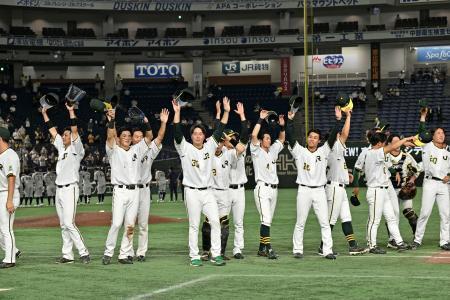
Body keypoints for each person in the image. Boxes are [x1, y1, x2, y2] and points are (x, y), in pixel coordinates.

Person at [102, 107, 164, 265]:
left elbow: (149, 136)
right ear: (119, 138)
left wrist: (146, 122)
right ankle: (108, 252)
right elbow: (110, 136)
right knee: (116, 223)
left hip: (135, 191)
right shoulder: (113, 151)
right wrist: (112, 120)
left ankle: (124, 254)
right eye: (124, 135)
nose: (127, 138)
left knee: (130, 225)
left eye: (129, 136)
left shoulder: (138, 149)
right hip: (120, 191)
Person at [173, 96, 230, 267]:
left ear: (204, 136)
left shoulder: (210, 146)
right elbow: (176, 131)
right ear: (191, 136)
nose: (198, 136)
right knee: (194, 225)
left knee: (215, 221)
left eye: (200, 133)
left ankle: (215, 254)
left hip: (208, 191)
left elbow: (220, 128)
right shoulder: (185, 148)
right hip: (191, 191)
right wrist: (177, 113)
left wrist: (226, 111)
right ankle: (194, 255)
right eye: (195, 133)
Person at [286, 106, 341, 260]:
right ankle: (297, 249)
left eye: (315, 137)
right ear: (307, 138)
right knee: (300, 221)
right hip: (304, 190)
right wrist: (289, 120)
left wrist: (338, 120)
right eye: (310, 136)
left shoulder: (323, 151)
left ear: (319, 140)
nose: (312, 139)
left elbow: (332, 137)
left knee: (324, 222)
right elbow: (290, 137)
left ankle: (327, 250)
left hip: (319, 191)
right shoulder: (300, 151)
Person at [42, 103, 90, 264]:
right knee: (63, 224)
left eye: (66, 135)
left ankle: (83, 252)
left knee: (69, 222)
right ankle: (67, 255)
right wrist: (44, 113)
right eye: (64, 135)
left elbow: (74, 129)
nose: (64, 136)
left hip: (71, 189)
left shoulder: (77, 149)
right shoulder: (61, 148)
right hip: (59, 190)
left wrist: (71, 111)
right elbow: (51, 129)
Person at [201, 102, 248, 261]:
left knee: (224, 224)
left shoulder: (229, 154)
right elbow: (216, 132)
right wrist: (220, 113)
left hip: (225, 193)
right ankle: (206, 251)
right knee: (208, 222)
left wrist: (231, 140)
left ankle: (220, 252)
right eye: (221, 140)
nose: (222, 142)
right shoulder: (208, 154)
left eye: (224, 140)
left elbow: (241, 148)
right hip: (211, 192)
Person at [354, 131, 414, 254]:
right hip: (375, 190)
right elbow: (392, 147)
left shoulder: (376, 152)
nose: (385, 144)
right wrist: (406, 139)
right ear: (380, 143)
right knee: (374, 220)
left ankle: (399, 242)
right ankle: (372, 245)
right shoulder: (373, 153)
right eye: (384, 142)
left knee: (391, 218)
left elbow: (389, 161)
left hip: (384, 190)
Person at [129, 113, 167, 262]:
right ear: (132, 139)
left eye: (140, 136)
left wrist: (163, 123)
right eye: (136, 137)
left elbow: (159, 137)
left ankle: (141, 252)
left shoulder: (150, 150)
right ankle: (128, 251)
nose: (138, 138)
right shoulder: (128, 151)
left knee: (143, 224)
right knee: (130, 223)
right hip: (131, 190)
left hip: (144, 190)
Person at [411, 108, 450, 250]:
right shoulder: (427, 146)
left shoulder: (448, 150)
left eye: (443, 133)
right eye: (438, 133)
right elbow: (422, 132)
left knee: (446, 214)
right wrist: (422, 116)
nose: (441, 135)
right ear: (432, 136)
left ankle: (444, 241)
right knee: (425, 212)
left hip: (444, 185)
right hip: (430, 183)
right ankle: (417, 240)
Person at [251, 109, 285, 259]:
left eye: (269, 138)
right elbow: (253, 135)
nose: (269, 140)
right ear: (260, 140)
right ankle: (269, 248)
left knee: (267, 220)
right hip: (262, 188)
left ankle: (261, 248)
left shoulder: (273, 150)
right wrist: (260, 120)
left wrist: (282, 126)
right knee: (265, 219)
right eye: (266, 138)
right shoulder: (256, 151)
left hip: (273, 190)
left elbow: (282, 139)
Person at [385, 134, 421, 244]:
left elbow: (417, 170)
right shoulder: (385, 156)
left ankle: (417, 236)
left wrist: (412, 180)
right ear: (390, 143)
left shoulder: (407, 156)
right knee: (392, 215)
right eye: (394, 142)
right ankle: (392, 239)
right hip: (389, 190)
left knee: (409, 212)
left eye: (398, 141)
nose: (397, 144)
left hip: (404, 190)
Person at [0, 127, 21, 268]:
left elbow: (11, 178)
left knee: (6, 228)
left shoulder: (10, 155)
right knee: (2, 229)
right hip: (3, 193)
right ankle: (14, 251)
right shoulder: (2, 155)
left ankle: (10, 259)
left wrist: (9, 200)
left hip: (8, 193)